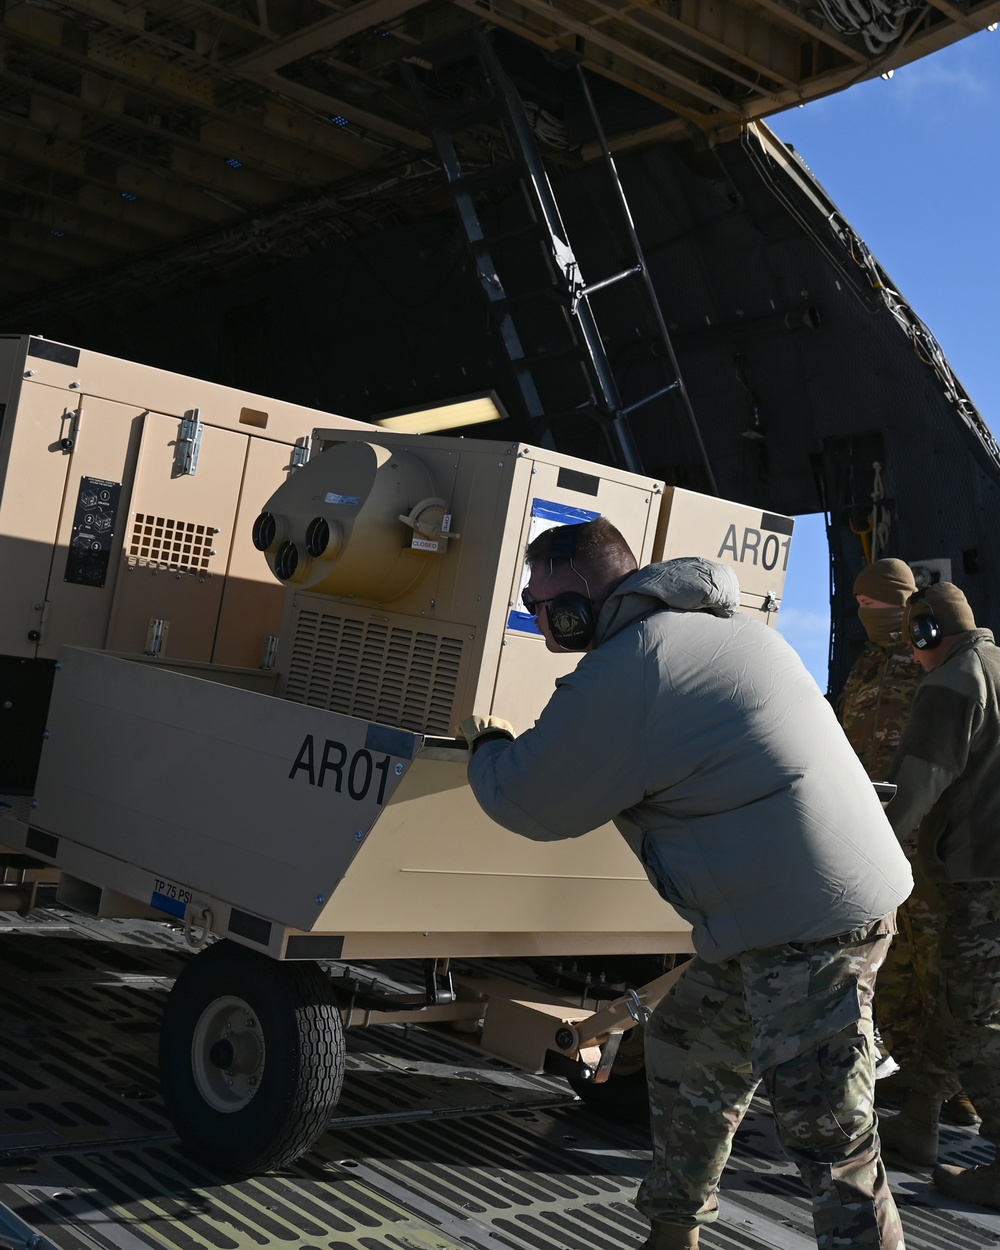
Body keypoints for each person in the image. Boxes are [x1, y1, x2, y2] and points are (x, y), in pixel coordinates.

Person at [459, 518, 912, 1250]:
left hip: (808, 927)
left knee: (828, 1133)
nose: (537, 617)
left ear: (579, 600)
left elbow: (528, 799)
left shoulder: (636, 663)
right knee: (688, 1043)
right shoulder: (730, 634)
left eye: (540, 603)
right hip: (778, 916)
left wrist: (487, 745)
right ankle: (673, 1234)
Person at [838, 561, 976, 1125]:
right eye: (861, 608)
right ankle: (919, 1080)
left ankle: (954, 1090)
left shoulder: (936, 662)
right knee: (887, 972)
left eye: (877, 606)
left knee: (936, 967)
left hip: (926, 842)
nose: (868, 617)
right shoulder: (866, 665)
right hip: (874, 835)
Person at [877, 582, 1000, 1208]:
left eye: (913, 639)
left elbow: (916, 784)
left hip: (980, 875)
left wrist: (868, 851)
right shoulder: (997, 666)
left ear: (927, 633)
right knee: (959, 1004)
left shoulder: (954, 681)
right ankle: (919, 1119)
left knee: (977, 1017)